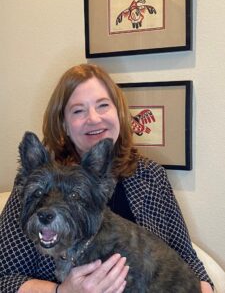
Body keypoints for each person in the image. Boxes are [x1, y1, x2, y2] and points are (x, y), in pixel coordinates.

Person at [0, 63, 213, 293]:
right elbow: (3, 278)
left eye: (102, 106)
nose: (93, 118)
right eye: (78, 110)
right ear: (63, 123)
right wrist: (62, 291)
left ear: (119, 113)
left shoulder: (151, 176)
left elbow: (187, 258)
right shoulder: (38, 182)